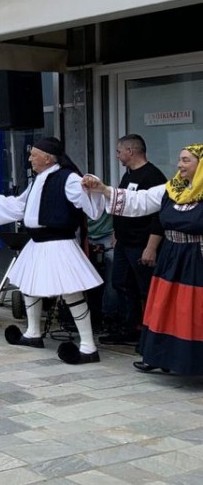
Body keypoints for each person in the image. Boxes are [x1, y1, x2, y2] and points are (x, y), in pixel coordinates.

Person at [0, 137, 106, 365]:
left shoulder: (69, 178)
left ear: (47, 157)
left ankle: (88, 346)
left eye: (33, 154)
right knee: (29, 286)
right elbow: (19, 206)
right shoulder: (37, 180)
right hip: (37, 243)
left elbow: (91, 203)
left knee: (71, 292)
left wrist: (93, 185)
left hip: (59, 243)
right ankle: (33, 333)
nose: (29, 159)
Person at [83, 143, 203, 374]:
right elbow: (142, 200)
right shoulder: (172, 189)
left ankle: (192, 362)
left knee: (193, 312)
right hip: (172, 258)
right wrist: (104, 189)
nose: (179, 165)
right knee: (165, 308)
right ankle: (159, 357)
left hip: (196, 259)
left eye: (186, 160)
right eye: (180, 159)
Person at [99, 134, 167, 346]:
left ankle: (151, 333)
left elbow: (159, 216)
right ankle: (129, 328)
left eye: (119, 151)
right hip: (123, 242)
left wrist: (151, 247)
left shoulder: (153, 176)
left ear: (130, 151)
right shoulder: (128, 176)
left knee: (145, 288)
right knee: (121, 283)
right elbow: (124, 204)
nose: (117, 156)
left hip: (141, 244)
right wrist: (116, 232)